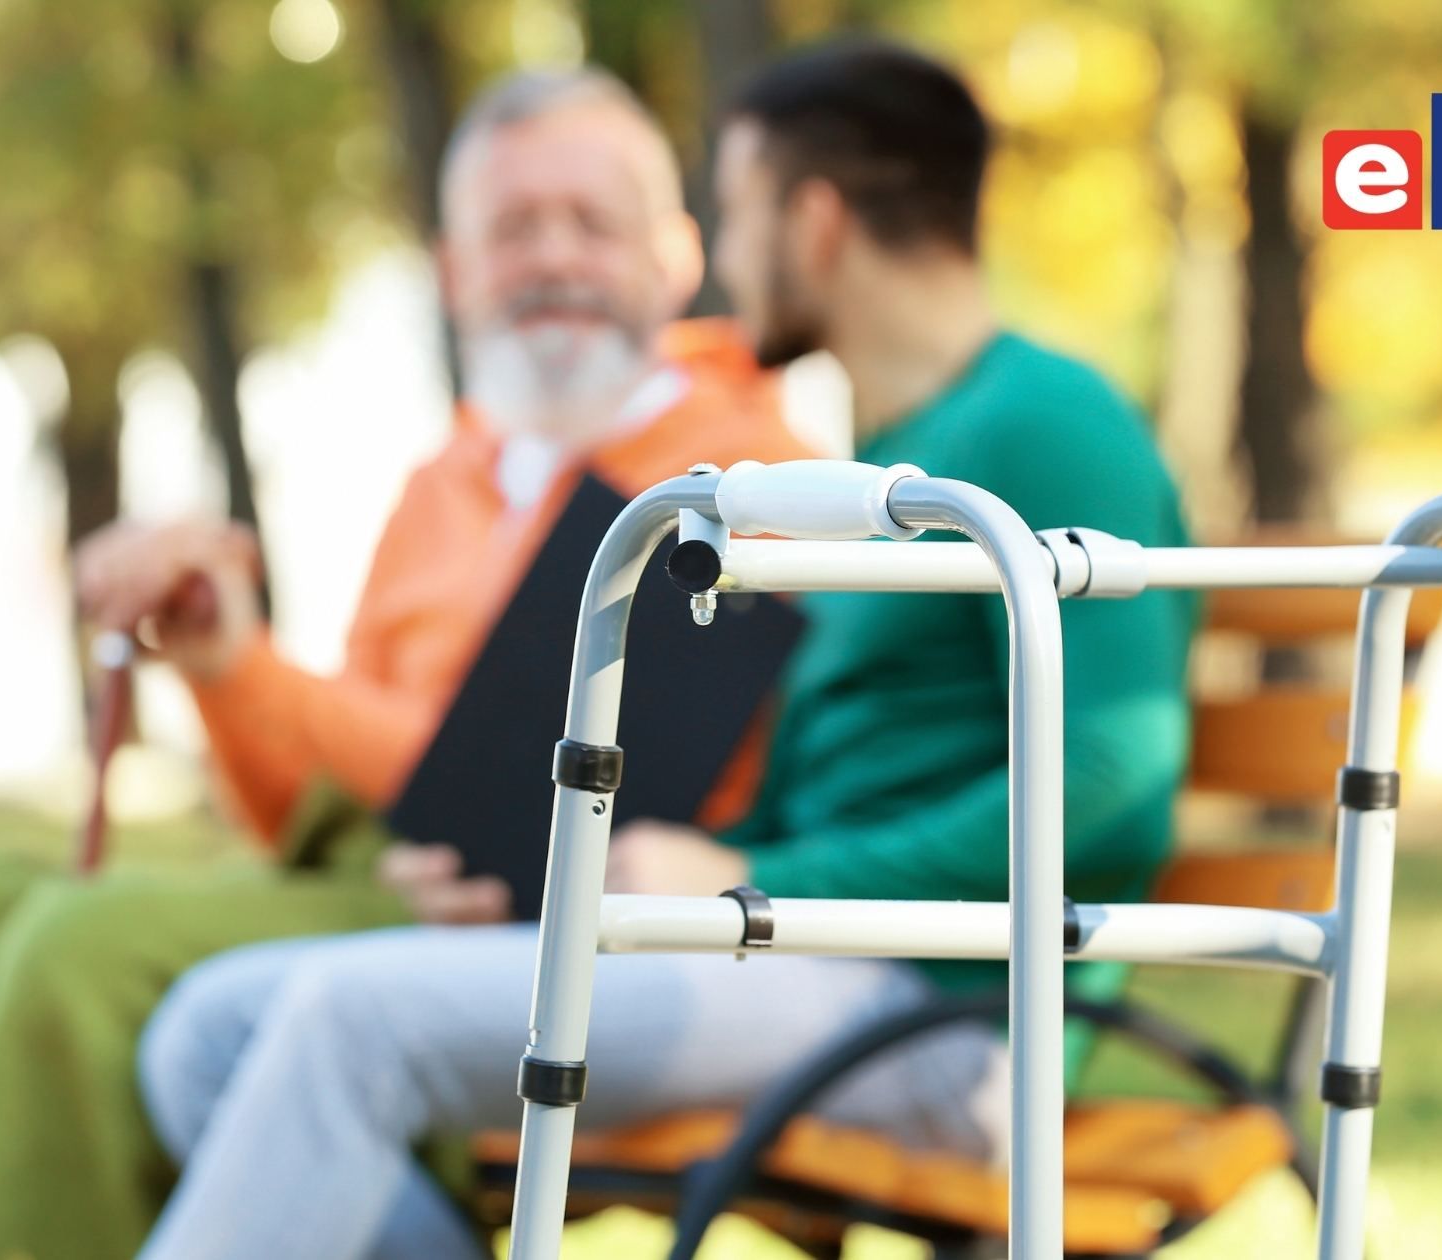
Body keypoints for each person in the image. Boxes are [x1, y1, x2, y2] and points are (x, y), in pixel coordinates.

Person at [130, 37, 1197, 1260]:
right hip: (803, 965)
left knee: (339, 1021)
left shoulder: (1043, 421)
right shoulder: (896, 446)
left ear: (814, 222)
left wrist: (755, 880)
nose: (723, 266)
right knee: (203, 1030)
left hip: (942, 1020)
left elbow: (1113, 782)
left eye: (734, 214)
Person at [0, 67, 811, 1260]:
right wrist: (221, 673)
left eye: (590, 223)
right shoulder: (448, 475)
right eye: (512, 229)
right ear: (453, 271)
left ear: (671, 256)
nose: (552, 257)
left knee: (76, 955)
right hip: (376, 874)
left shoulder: (734, 476)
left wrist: (260, 674)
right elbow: (300, 808)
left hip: (518, 907)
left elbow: (499, 779)